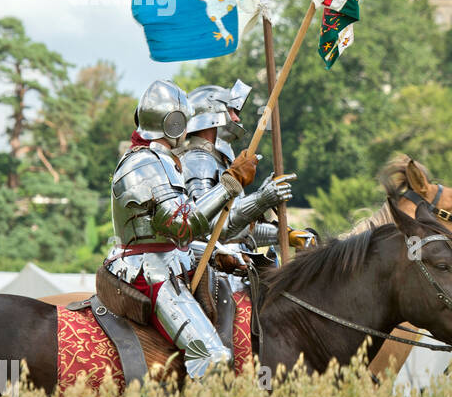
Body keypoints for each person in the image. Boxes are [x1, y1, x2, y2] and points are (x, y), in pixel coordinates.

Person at [104, 79, 258, 378]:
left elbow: (178, 238)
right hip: (147, 270)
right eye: (183, 122)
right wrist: (231, 182)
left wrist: (214, 254)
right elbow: (182, 225)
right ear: (173, 123)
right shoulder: (144, 163)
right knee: (213, 357)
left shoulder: (162, 160)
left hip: (167, 258)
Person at [175, 81, 303, 283]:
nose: (237, 118)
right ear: (213, 114)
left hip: (238, 264)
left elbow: (240, 232)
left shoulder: (217, 160)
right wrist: (261, 199)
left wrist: (286, 235)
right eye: (232, 111)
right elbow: (214, 228)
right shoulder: (198, 160)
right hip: (215, 270)